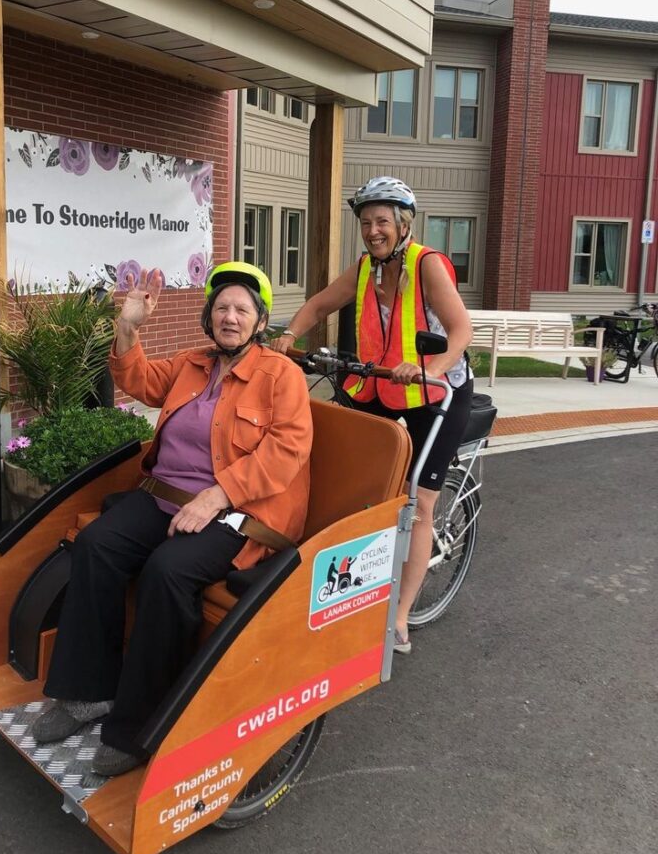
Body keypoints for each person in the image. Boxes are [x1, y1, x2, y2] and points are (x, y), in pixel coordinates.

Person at [33, 261, 313, 776]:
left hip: (236, 515)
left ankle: (142, 726)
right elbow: (139, 378)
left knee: (167, 572)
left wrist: (216, 496)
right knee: (96, 544)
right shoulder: (193, 363)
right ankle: (86, 696)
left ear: (259, 321)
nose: (230, 317)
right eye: (222, 307)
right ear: (209, 317)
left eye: (242, 310)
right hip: (162, 497)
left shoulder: (281, 375)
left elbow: (287, 450)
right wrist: (128, 327)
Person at [271, 177, 472, 655]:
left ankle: (399, 618)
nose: (373, 230)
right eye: (366, 222)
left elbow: (462, 330)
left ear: (403, 224)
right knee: (345, 471)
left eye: (382, 221)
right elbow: (321, 303)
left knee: (419, 504)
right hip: (378, 383)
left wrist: (432, 368)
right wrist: (286, 338)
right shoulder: (365, 268)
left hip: (436, 393)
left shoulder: (427, 266)